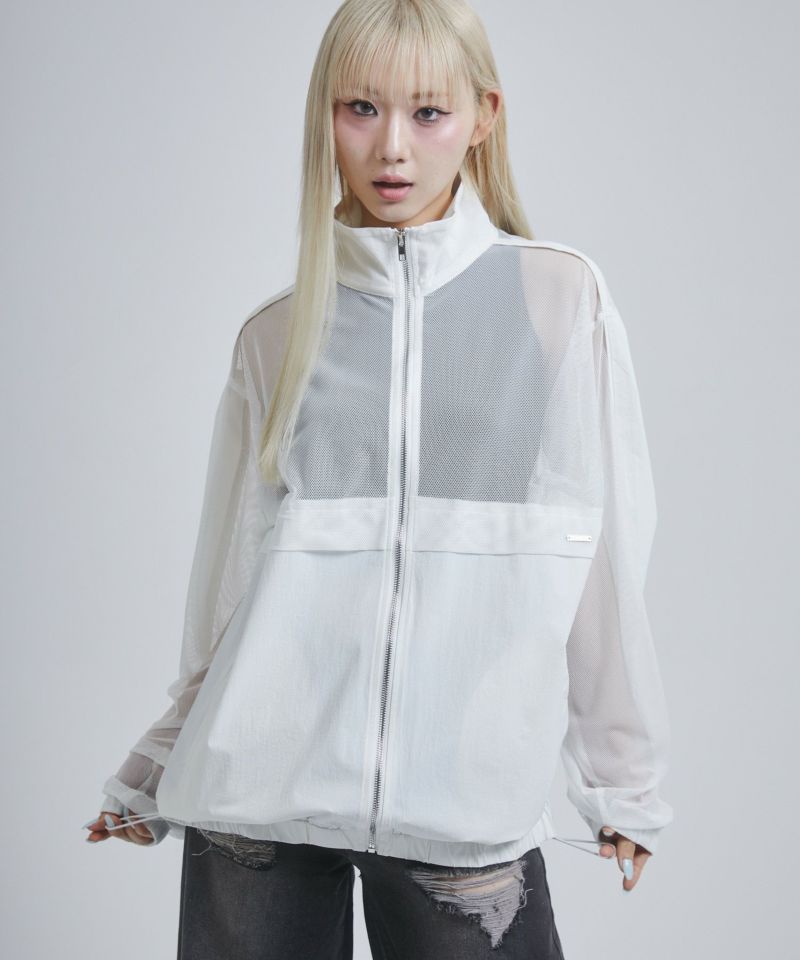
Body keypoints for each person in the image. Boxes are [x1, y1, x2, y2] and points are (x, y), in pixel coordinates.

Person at [83, 1, 673, 955]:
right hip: (254, 802)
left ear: (483, 117)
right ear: (325, 115)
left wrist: (622, 781)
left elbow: (599, 554)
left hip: (464, 808)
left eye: (428, 113)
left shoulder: (556, 299)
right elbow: (230, 586)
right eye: (360, 108)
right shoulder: (276, 332)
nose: (391, 146)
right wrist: (151, 769)